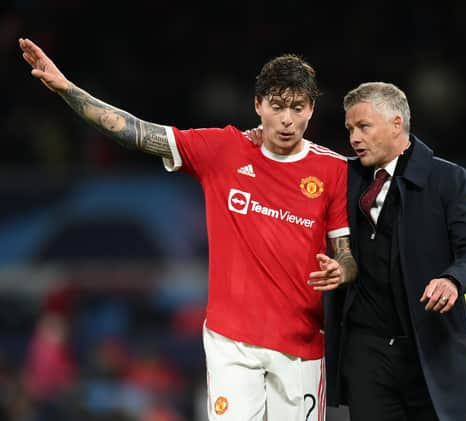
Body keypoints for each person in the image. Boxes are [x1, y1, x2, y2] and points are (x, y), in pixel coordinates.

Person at [19, 37, 357, 421]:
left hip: (301, 345)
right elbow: (134, 131)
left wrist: (342, 269)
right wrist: (68, 90)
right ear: (258, 105)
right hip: (232, 342)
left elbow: (344, 251)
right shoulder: (221, 150)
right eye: (277, 107)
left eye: (297, 108)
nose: (286, 119)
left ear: (311, 109)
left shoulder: (333, 170)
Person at [326, 82, 466, 421]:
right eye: (349, 129)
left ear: (396, 124)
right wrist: (258, 138)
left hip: (428, 347)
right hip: (367, 351)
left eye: (363, 126)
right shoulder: (342, 177)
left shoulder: (446, 179)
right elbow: (295, 164)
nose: (354, 138)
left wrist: (452, 280)